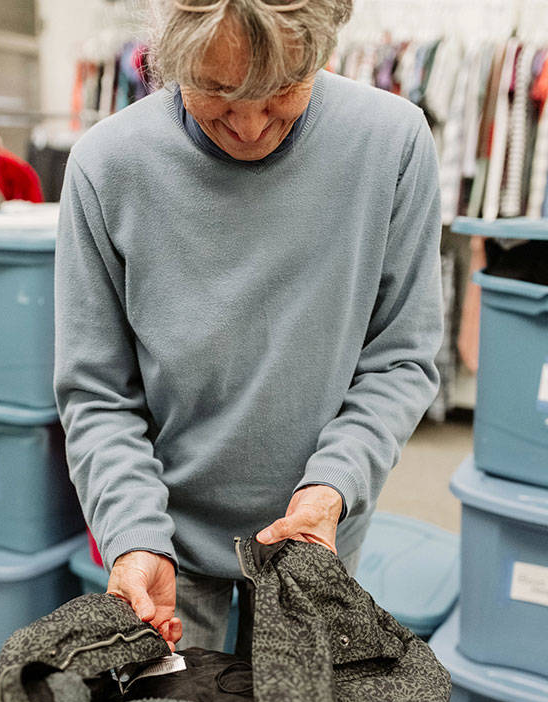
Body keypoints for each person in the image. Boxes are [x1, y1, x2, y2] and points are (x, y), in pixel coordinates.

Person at [54, 0, 443, 655]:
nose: (250, 122)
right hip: (163, 530)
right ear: (169, 58)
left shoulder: (392, 143)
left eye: (280, 89)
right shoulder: (105, 166)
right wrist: (132, 533)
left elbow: (400, 356)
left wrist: (334, 485)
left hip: (318, 527)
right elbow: (97, 392)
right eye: (215, 89)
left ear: (324, 50)